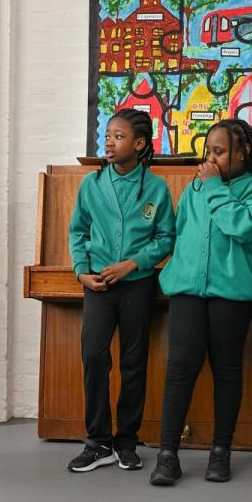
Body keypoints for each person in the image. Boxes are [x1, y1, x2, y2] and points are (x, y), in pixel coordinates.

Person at [149, 119, 252, 486]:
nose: (211, 159)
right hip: (188, 290)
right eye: (209, 151)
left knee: (226, 369)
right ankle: (168, 454)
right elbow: (183, 232)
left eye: (219, 151)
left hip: (231, 293)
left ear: (243, 151)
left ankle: (221, 452)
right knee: (180, 367)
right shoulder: (196, 187)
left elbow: (242, 227)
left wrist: (215, 187)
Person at [67, 108, 175, 472]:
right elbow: (77, 232)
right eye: (108, 135)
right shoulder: (92, 185)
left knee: (134, 363)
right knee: (94, 358)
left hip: (137, 286)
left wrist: (134, 263)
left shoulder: (156, 188)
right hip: (97, 286)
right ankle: (97, 442)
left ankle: (127, 441)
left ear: (139, 144)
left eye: (119, 136)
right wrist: (82, 271)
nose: (109, 143)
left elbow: (166, 238)